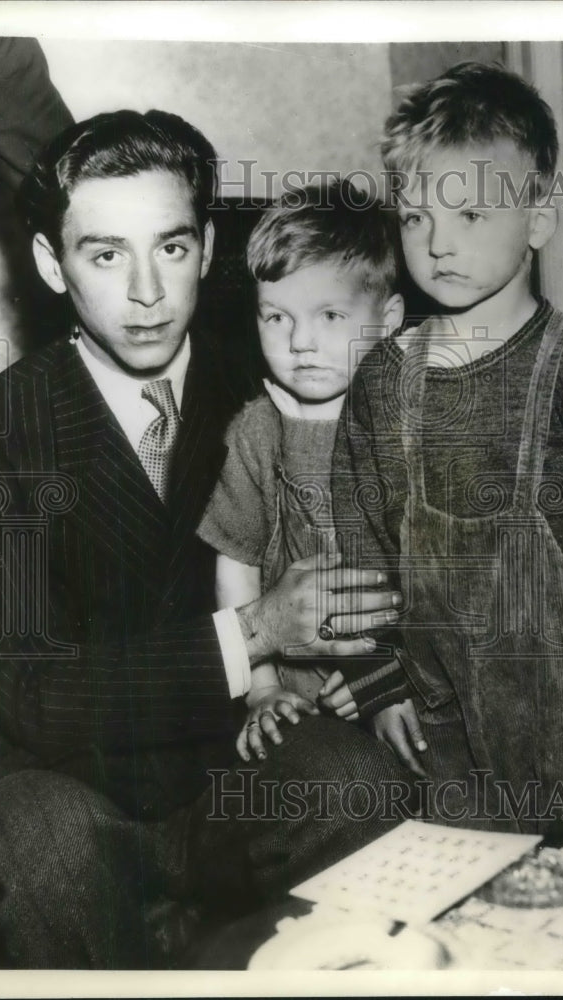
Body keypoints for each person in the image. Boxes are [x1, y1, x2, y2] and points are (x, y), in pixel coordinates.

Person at [0, 110, 418, 969]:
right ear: (52, 267)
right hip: (61, 779)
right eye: (105, 254)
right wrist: (258, 633)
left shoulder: (272, 366)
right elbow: (34, 695)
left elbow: (424, 452)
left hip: (225, 767)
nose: (146, 293)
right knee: (46, 850)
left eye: (170, 248)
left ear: (207, 249)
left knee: (358, 784)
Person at [333, 63, 563, 832]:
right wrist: (379, 683)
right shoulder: (382, 381)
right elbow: (361, 550)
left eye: (470, 214)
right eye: (415, 218)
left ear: (538, 220)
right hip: (438, 726)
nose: (437, 244)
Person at [197, 180, 424, 765]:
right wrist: (264, 688)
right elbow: (238, 567)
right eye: (276, 317)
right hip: (299, 695)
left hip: (407, 680)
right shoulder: (253, 431)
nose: (301, 342)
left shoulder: (415, 422)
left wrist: (388, 675)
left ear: (390, 317)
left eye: (329, 314)